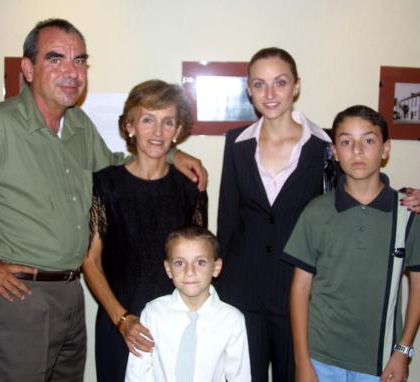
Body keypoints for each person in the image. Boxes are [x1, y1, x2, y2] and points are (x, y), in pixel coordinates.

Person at [0, 19, 206, 382]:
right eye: (56, 59)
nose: (71, 71)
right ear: (28, 69)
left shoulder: (78, 126)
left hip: (70, 297)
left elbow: (115, 169)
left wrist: (171, 156)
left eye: (79, 60)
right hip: (16, 296)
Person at [215, 47, 420, 382]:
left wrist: (408, 197)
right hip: (243, 293)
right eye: (260, 84)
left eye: (280, 82)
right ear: (248, 89)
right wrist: (218, 288)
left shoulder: (324, 144)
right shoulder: (235, 142)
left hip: (299, 298)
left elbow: (356, 189)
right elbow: (227, 218)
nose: (270, 94)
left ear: (296, 86)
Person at [82, 79, 208, 381]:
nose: (157, 132)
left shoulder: (191, 188)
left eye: (168, 123)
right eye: (147, 120)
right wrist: (122, 319)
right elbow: (91, 261)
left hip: (178, 324)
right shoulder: (104, 184)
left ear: (178, 132)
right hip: (119, 322)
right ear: (130, 126)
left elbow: (197, 263)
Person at [284, 105, 420, 382]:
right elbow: (300, 289)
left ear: (385, 149)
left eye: (368, 140)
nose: (357, 150)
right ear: (335, 152)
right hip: (320, 359)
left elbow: (418, 286)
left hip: (378, 363)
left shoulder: (407, 213)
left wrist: (403, 352)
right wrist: (302, 361)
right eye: (346, 142)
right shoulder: (317, 211)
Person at [125, 225, 251, 382]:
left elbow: (240, 377)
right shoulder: (153, 313)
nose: (189, 271)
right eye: (179, 263)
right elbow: (137, 374)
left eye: (200, 262)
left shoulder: (232, 320)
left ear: (216, 267)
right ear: (168, 268)